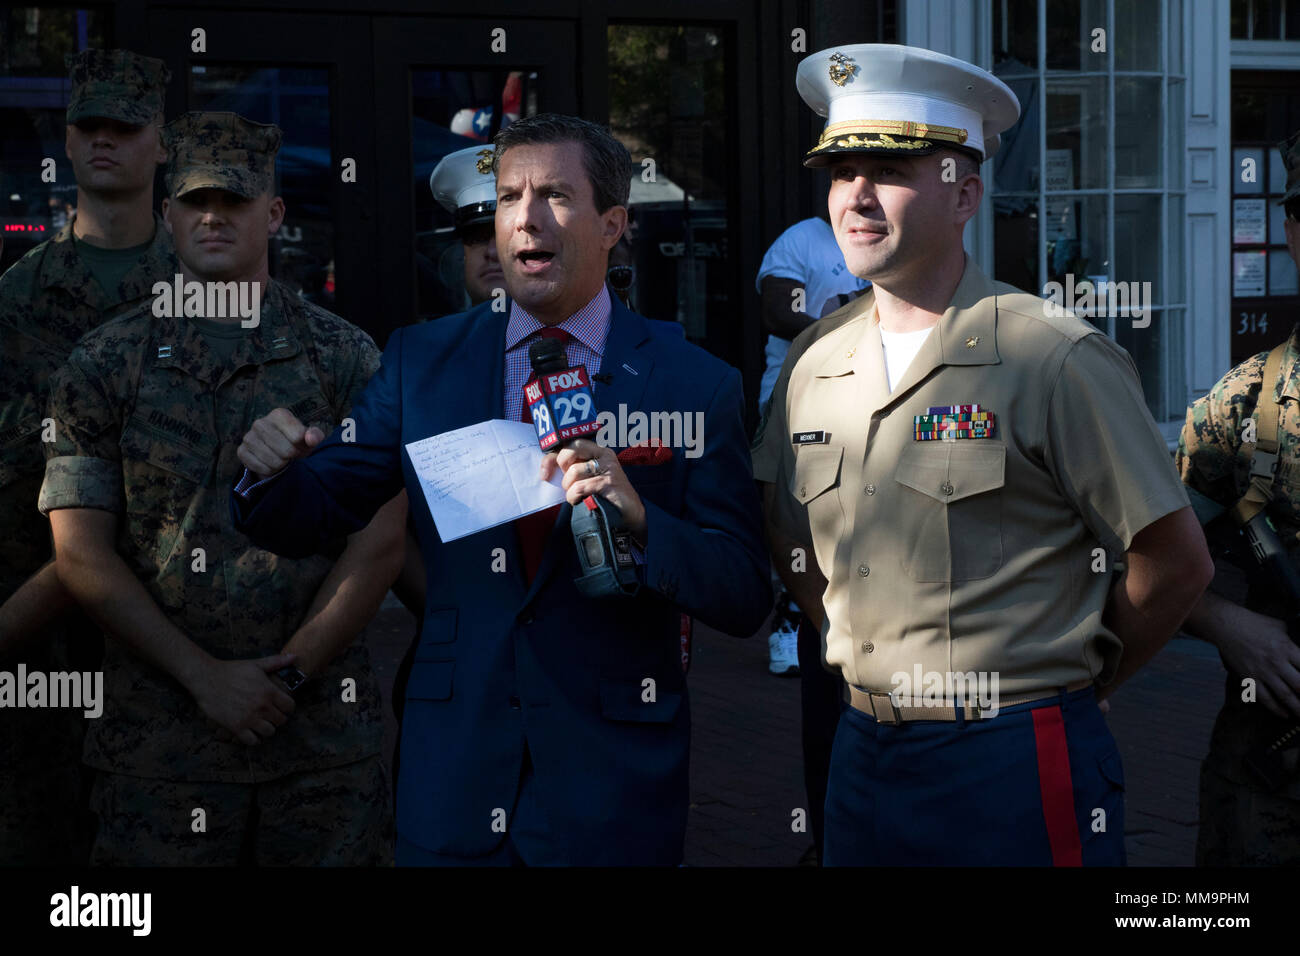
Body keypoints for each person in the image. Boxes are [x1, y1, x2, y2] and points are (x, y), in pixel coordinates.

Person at [230, 112, 771, 866]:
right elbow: (315, 508)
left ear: (613, 223)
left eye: (554, 194)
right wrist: (268, 472)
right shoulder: (423, 362)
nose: (525, 217)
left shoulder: (695, 384)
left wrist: (643, 519)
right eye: (510, 195)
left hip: (609, 789)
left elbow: (744, 592)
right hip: (454, 774)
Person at [758, 43, 1213, 866]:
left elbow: (1172, 562)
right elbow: (792, 532)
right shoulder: (813, 361)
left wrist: (1080, 680)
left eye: (888, 169)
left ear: (963, 193)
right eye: (840, 170)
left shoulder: (1054, 356)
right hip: (859, 746)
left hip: (1008, 754)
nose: (856, 196)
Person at [38, 111, 403, 865]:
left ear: (272, 214)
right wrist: (205, 679)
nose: (213, 217)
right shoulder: (104, 363)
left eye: (234, 202)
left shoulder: (344, 359)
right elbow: (81, 554)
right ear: (167, 214)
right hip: (161, 754)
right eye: (196, 201)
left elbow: (381, 540)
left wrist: (289, 674)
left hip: (319, 750)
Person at [0, 48, 175, 866]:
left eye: (125, 127)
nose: (106, 142)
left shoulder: (206, 285)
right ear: (67, 143)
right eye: (89, 127)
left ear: (160, 143)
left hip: (176, 636)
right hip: (41, 643)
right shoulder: (15, 300)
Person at [1176, 127, 1300, 865]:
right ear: (1290, 231)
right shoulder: (1240, 406)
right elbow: (1146, 562)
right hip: (1267, 785)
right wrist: (1231, 627)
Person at [758, 215, 869, 679]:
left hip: (863, 395)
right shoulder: (801, 239)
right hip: (796, 396)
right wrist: (842, 322)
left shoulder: (881, 239)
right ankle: (788, 624)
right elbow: (777, 312)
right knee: (797, 515)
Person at [429, 144, 506, 307]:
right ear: (462, 256)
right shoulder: (427, 334)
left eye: (507, 235)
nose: (492, 252)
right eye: (477, 237)